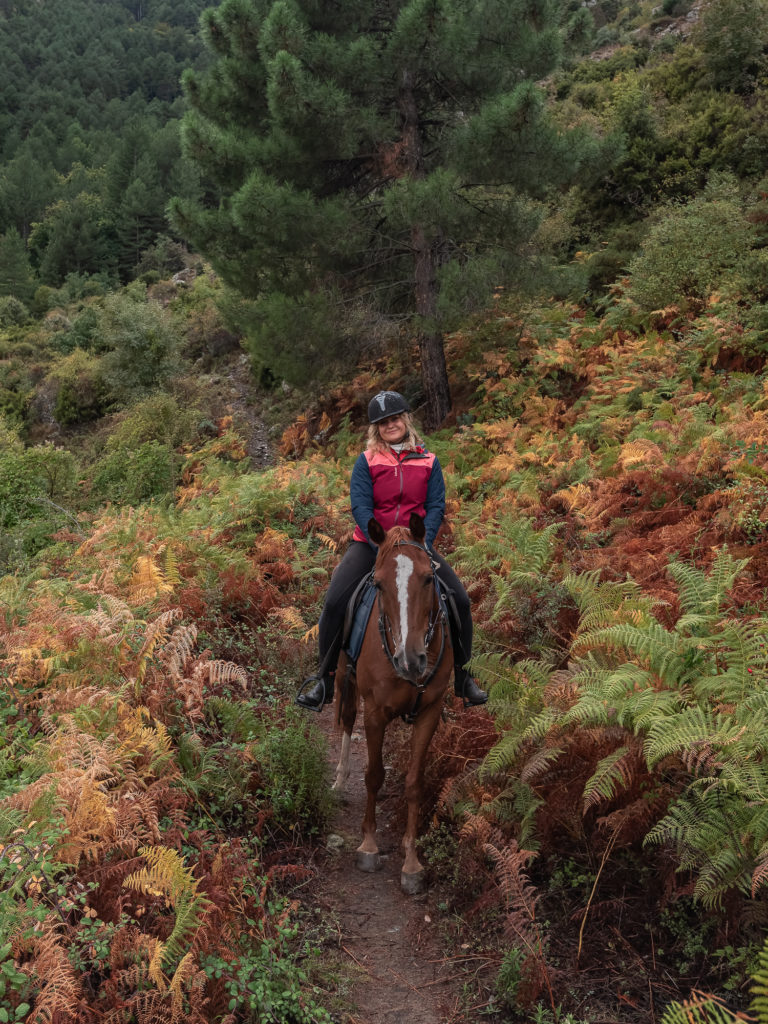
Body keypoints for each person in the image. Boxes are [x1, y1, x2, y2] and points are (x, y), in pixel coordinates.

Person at [296, 390, 487, 712]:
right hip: (372, 544)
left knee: (461, 601)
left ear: (405, 419)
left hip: (415, 546)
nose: (390, 425)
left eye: (395, 418)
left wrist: (423, 540)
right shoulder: (367, 461)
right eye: (383, 422)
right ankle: (324, 680)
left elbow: (436, 504)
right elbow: (360, 505)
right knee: (333, 603)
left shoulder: (428, 461)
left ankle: (463, 678)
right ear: (376, 429)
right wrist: (379, 544)